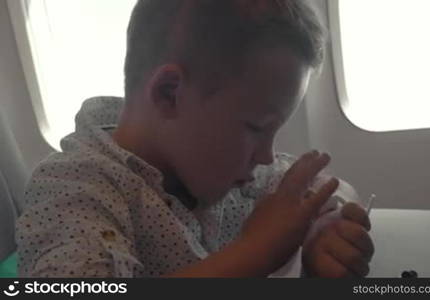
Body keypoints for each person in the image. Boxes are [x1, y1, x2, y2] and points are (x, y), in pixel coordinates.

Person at [16, 0, 374, 277]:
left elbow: (324, 189)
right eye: (255, 128)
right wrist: (254, 253)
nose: (266, 155)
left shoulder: (233, 178)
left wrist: (321, 234)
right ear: (170, 93)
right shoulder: (74, 187)